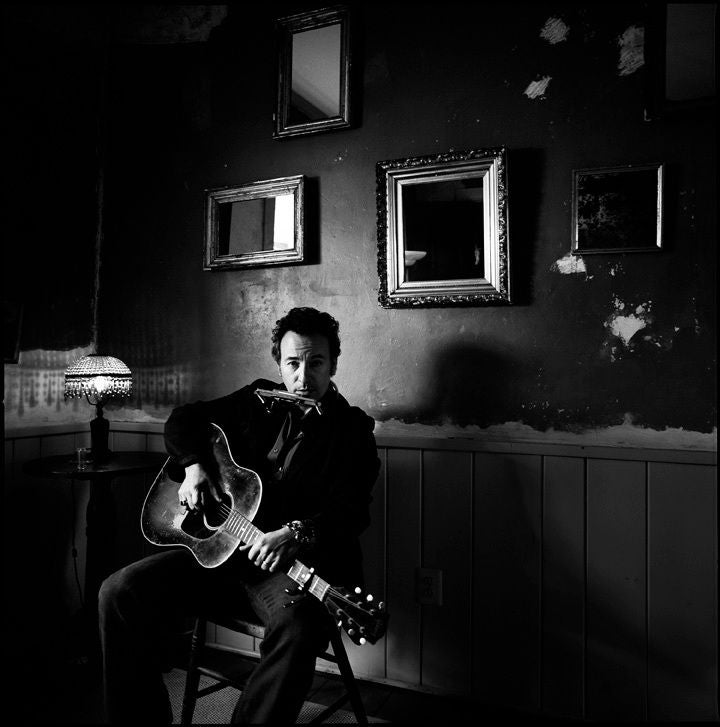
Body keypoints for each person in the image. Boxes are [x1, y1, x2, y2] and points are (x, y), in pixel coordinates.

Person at [98, 307, 380, 724]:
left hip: (285, 570)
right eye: (293, 363)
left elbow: (351, 512)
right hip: (219, 554)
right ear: (279, 365)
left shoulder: (353, 431)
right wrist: (193, 466)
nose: (304, 377)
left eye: (316, 362)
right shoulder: (256, 400)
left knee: (299, 629)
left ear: (333, 362)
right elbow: (183, 420)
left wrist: (294, 533)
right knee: (118, 591)